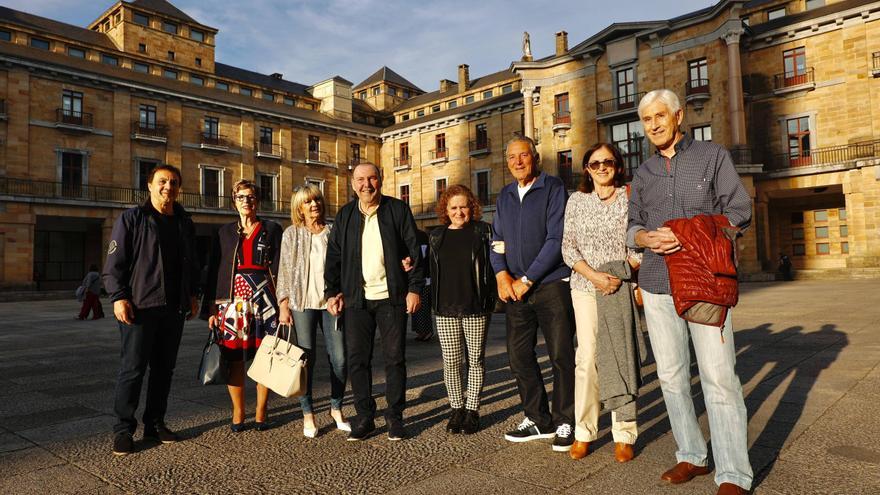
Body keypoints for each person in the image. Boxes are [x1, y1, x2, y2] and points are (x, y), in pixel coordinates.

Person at [628, 89, 753, 495]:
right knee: (671, 376)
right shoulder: (643, 172)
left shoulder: (712, 155)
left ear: (678, 116)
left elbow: (740, 212)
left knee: (719, 378)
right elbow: (631, 225)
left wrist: (687, 233)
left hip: (705, 283)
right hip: (657, 283)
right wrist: (645, 237)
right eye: (647, 120)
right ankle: (691, 455)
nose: (654, 125)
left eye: (660, 116)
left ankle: (733, 473)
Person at [103, 164, 200, 456]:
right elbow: (113, 264)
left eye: (173, 182)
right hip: (140, 307)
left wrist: (192, 295)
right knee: (132, 370)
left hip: (173, 308)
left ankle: (155, 423)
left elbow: (191, 263)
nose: (168, 187)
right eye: (162, 181)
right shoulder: (133, 218)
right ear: (149, 185)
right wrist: (119, 296)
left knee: (164, 370)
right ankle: (123, 429)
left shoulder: (184, 221)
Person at [324, 162, 424, 441]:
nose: (366, 185)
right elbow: (333, 258)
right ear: (352, 183)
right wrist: (331, 292)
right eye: (360, 180)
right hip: (357, 301)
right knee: (358, 361)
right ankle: (365, 417)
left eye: (372, 178)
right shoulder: (345, 215)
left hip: (392, 298)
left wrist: (414, 288)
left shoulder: (397, 210)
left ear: (380, 180)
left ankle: (395, 417)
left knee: (395, 359)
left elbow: (414, 252)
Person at [491, 136, 576, 452]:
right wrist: (501, 274)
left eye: (523, 155)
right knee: (518, 356)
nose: (517, 161)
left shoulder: (553, 188)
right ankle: (538, 418)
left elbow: (556, 240)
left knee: (561, 355)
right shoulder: (505, 195)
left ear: (535, 157)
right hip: (515, 290)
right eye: (511, 156)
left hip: (551, 285)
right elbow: (496, 240)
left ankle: (565, 418)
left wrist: (527, 279)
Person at [562, 143, 645, 463]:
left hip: (620, 286)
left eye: (607, 162)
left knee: (621, 355)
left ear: (618, 166)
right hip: (585, 286)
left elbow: (639, 244)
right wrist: (595, 276)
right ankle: (584, 431)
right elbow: (568, 249)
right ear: (586, 169)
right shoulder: (576, 201)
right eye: (594, 163)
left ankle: (624, 432)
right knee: (586, 358)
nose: (601, 167)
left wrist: (620, 275)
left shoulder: (630, 198)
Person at [202, 179, 282, 433]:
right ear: (234, 201)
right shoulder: (224, 232)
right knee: (234, 357)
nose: (247, 201)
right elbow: (214, 270)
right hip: (232, 302)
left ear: (257, 201)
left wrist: (285, 302)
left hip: (265, 299)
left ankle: (261, 409)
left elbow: (282, 266)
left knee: (264, 355)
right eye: (241, 197)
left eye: (251, 197)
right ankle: (238, 411)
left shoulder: (272, 228)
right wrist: (211, 309)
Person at [276, 184, 349, 438]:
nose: (314, 204)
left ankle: (336, 407)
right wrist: (283, 305)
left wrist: (342, 294)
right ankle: (308, 413)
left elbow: (345, 267)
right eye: (307, 202)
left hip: (331, 303)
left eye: (317, 199)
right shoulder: (291, 234)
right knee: (305, 361)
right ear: (299, 207)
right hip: (301, 304)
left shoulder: (333, 232)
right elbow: (284, 271)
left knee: (339, 359)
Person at [429, 185, 495, 435]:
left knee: (475, 361)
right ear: (446, 210)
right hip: (445, 308)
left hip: (475, 307)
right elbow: (428, 270)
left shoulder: (483, 232)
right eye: (453, 207)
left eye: (463, 207)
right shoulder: (437, 236)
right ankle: (456, 408)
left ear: (472, 208)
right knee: (451, 362)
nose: (459, 212)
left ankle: (472, 410)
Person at [410, 229, 433, 342]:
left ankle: (425, 332)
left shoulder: (420, 249)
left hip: (423, 282)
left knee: (421, 310)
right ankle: (423, 332)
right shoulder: (428, 247)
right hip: (427, 281)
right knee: (422, 310)